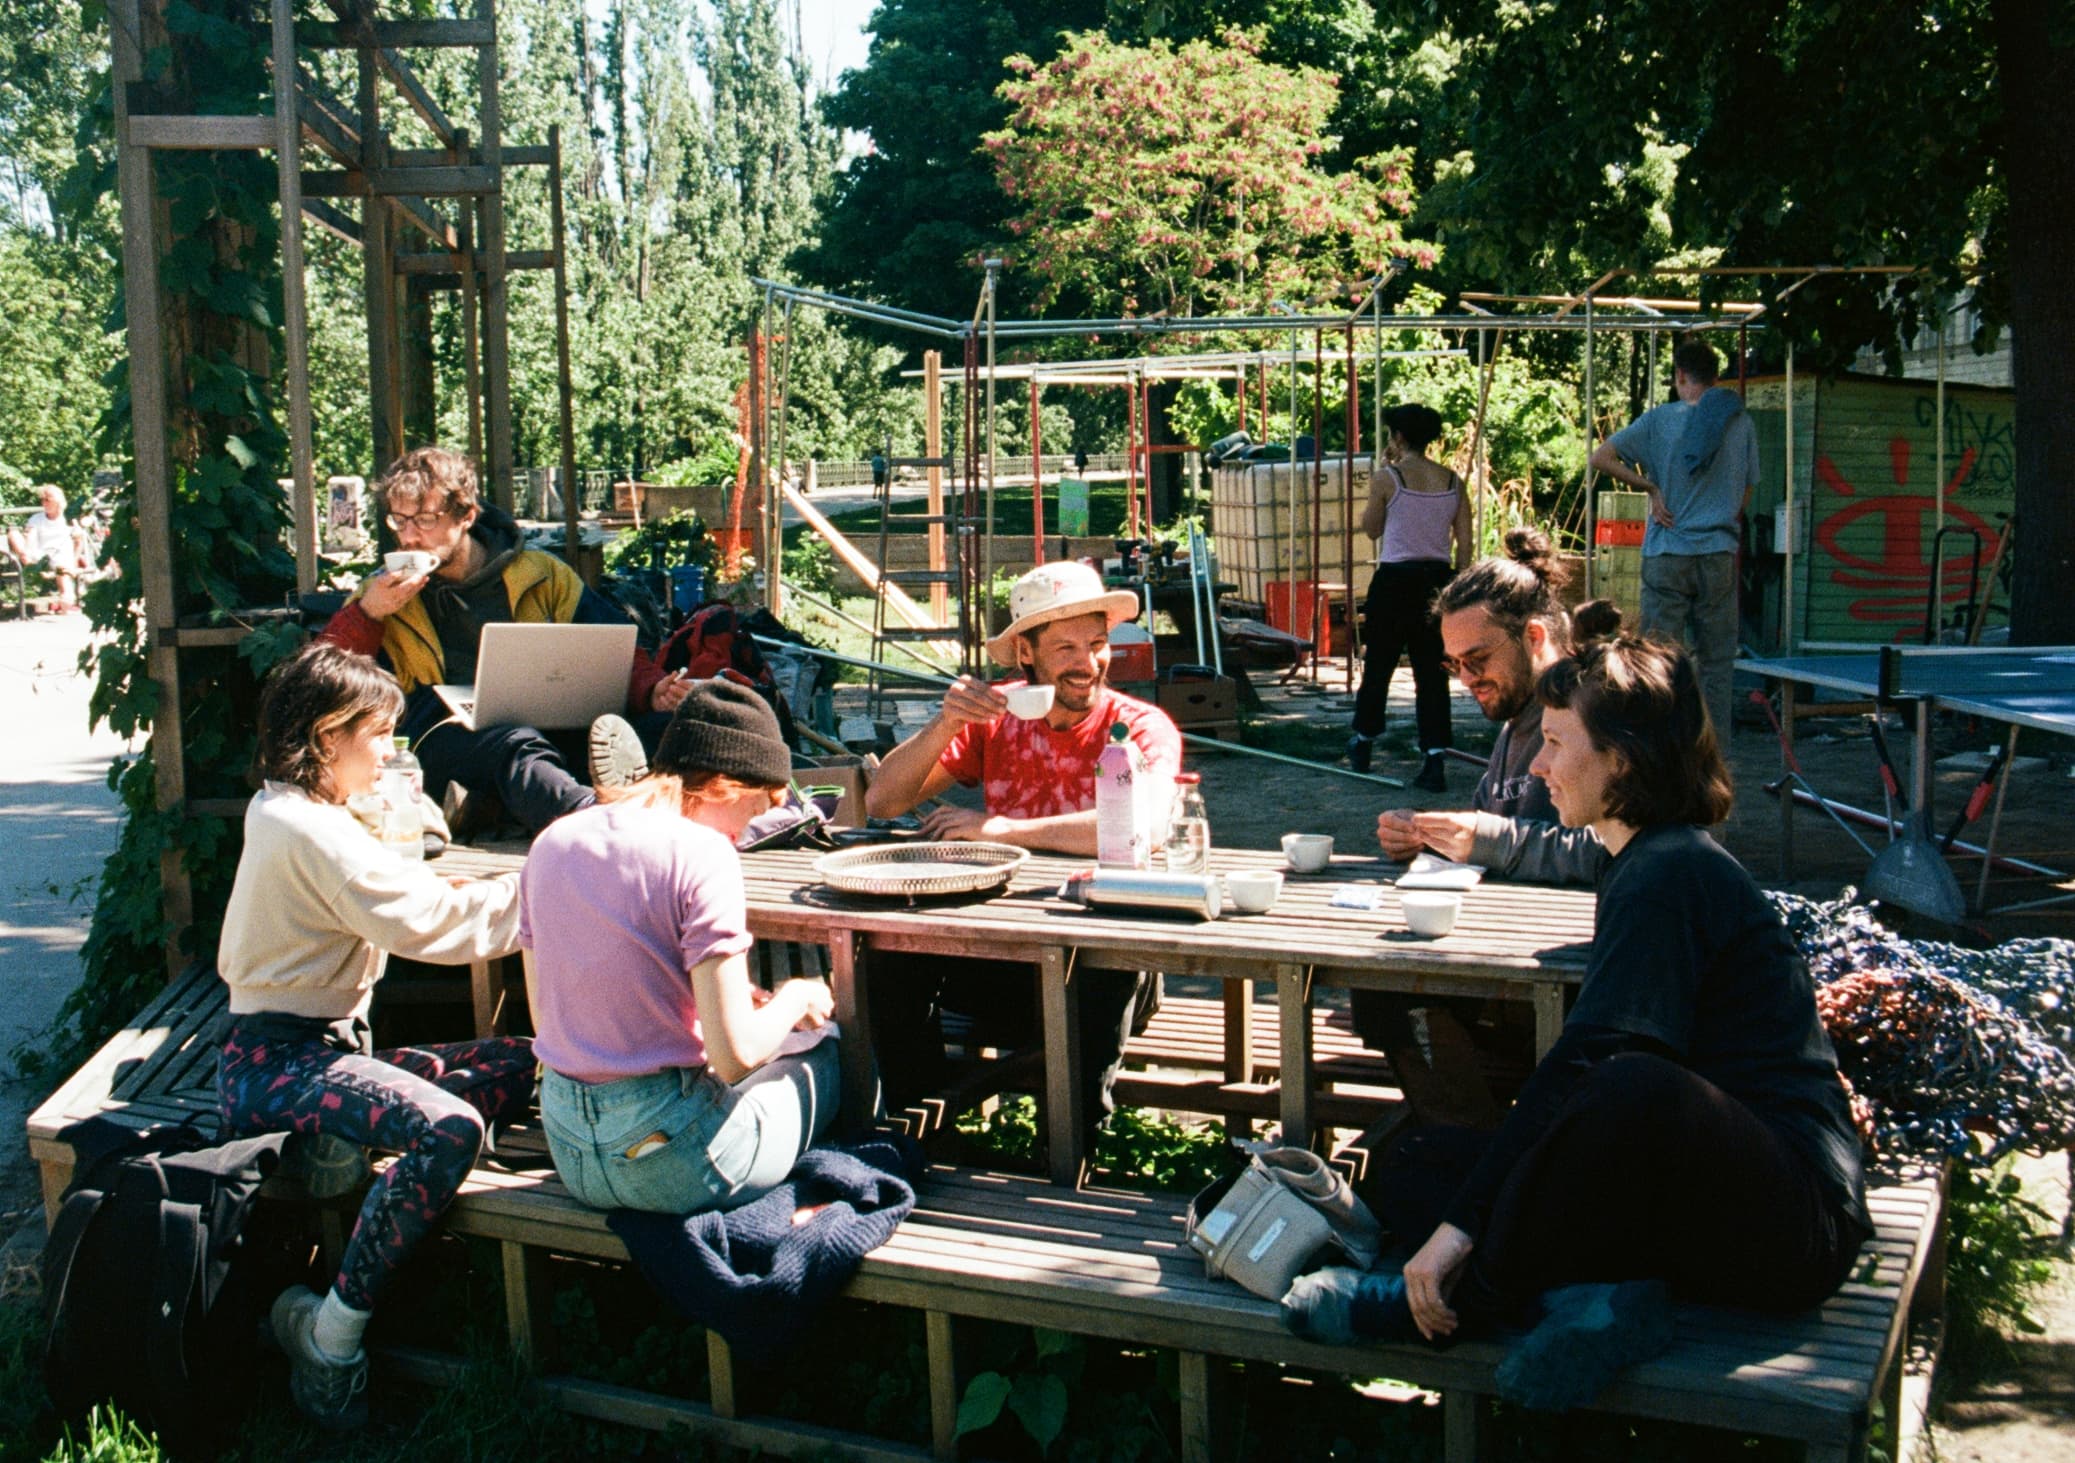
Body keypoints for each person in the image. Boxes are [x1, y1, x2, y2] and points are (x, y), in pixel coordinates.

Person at [1288, 607, 1871, 1415]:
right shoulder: (1633, 857)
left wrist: (1463, 1229)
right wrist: (1467, 1200)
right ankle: (1598, 1302)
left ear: (1622, 761)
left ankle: (1456, 1307)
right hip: (1688, 1196)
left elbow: (1595, 1064)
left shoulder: (1673, 871)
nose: (1539, 769)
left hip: (1788, 1222)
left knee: (1627, 1082)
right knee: (1417, 1162)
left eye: (1557, 745)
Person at [216, 643, 536, 1429]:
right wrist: (553, 888)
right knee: (449, 1127)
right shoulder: (309, 829)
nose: (388, 752)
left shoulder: (295, 807)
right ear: (329, 735)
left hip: (316, 1050)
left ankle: (354, 1165)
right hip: (278, 1059)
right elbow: (428, 922)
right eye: (379, 736)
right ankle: (331, 1335)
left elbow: (406, 874)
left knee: (522, 1058)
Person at [862, 560, 1182, 1145]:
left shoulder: (1139, 725)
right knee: (888, 957)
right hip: (1004, 955)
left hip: (1104, 961)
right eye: (1065, 647)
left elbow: (1146, 824)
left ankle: (1071, 1153)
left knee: (1099, 971)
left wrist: (1001, 828)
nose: (1088, 662)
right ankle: (921, 1135)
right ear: (1026, 656)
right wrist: (943, 722)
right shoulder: (998, 715)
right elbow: (882, 801)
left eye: (1097, 643)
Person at [522, 678, 839, 1213]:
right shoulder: (705, 853)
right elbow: (734, 1057)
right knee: (828, 1054)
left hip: (571, 1152)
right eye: (754, 811)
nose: (746, 832)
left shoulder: (553, 840)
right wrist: (796, 998)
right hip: (679, 1162)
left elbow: (548, 1017)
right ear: (724, 787)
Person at [1357, 529, 1605, 1127]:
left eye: (1478, 661)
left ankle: (1472, 1149)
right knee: (1376, 989)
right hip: (1507, 953)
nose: (1465, 679)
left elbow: (1609, 851)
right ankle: (1464, 1141)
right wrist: (1423, 835)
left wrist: (1482, 838)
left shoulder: (1592, 712)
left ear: (1537, 637)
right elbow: (1481, 827)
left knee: (1393, 996)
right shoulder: (1512, 723)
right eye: (1453, 664)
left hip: (1573, 973)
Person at [319, 446, 677, 836]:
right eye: (399, 520)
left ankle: (495, 806)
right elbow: (322, 676)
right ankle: (594, 822)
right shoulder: (379, 593)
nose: (408, 537)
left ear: (467, 516)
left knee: (666, 728)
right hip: (437, 737)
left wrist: (652, 688)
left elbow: (613, 648)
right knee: (514, 741)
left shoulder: (541, 574)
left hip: (554, 723)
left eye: (424, 520)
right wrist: (368, 613)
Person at [1588, 339, 1758, 740]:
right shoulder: (1741, 421)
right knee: (1717, 662)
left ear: (1680, 376)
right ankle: (1714, 752)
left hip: (1668, 550)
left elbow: (1601, 457)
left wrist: (1650, 487)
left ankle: (1659, 745)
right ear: (1715, 377)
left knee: (1659, 658)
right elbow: (1748, 490)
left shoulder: (1659, 420)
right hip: (1718, 551)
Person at [1348, 404, 1472, 791]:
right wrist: (1457, 588)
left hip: (1395, 579)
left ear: (1398, 438)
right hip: (1437, 579)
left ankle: (1364, 741)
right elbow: (1465, 543)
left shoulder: (1389, 478)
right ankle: (1434, 756)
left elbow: (1370, 529)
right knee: (1432, 673)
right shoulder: (1453, 481)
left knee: (1380, 665)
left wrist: (1380, 482)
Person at [6, 484, 88, 608]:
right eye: (42, 500)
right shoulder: (36, 518)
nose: (44, 503)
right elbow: (30, 538)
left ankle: (65, 600)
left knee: (65, 585)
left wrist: (73, 562)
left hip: (60, 557)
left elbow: (78, 542)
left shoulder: (68, 520)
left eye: (47, 500)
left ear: (58, 502)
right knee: (13, 533)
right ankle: (36, 571)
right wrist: (27, 550)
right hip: (38, 555)